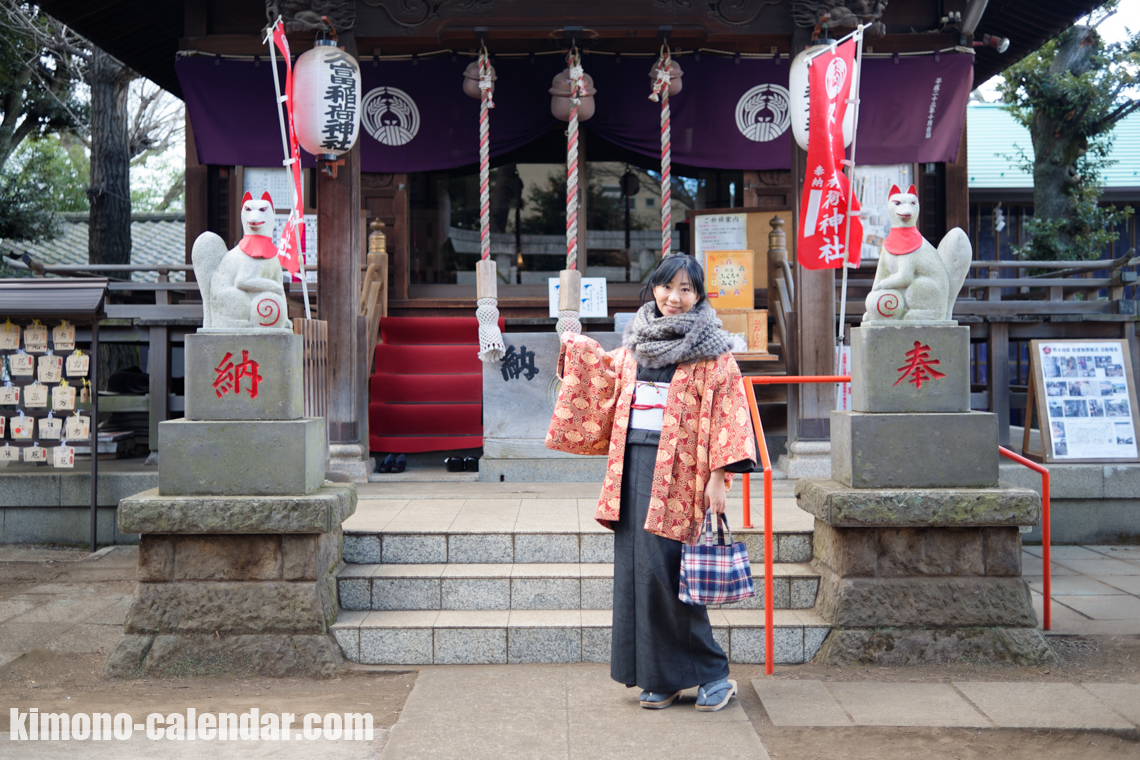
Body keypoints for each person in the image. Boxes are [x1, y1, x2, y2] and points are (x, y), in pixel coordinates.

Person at [546, 253, 757, 712]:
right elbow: (601, 379)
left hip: (684, 473)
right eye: (666, 287)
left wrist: (719, 479)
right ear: (653, 290)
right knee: (639, 574)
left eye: (685, 289)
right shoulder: (634, 346)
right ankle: (659, 678)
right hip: (633, 465)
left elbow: (727, 414)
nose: (673, 297)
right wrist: (576, 347)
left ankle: (713, 674)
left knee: (671, 574)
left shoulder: (714, 353)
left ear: (699, 295)